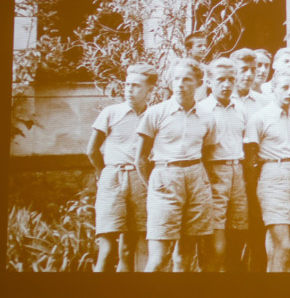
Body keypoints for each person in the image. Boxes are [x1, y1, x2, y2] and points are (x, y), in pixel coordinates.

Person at [135, 58, 216, 272]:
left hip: (196, 178)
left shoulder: (207, 116)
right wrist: (154, 186)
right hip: (165, 176)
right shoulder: (156, 113)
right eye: (176, 78)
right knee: (158, 258)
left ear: (199, 83)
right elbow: (140, 158)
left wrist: (198, 179)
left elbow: (207, 151)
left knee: (185, 255)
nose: (180, 84)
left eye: (187, 79)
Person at [86, 63, 157, 272]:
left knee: (128, 248)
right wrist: (103, 173)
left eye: (136, 86)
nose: (129, 90)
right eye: (127, 85)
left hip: (140, 180)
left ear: (149, 90)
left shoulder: (154, 115)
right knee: (107, 248)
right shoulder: (111, 112)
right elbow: (92, 150)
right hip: (113, 177)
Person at [244, 69, 290, 272]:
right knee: (284, 244)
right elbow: (250, 156)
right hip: (273, 173)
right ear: (273, 88)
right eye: (285, 87)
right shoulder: (260, 118)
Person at [198, 58, 249, 272]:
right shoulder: (202, 110)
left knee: (239, 226)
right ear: (209, 81)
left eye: (231, 79)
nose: (226, 85)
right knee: (215, 227)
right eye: (221, 79)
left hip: (237, 170)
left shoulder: (241, 109)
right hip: (213, 170)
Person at [230, 48, 270, 272]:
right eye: (243, 69)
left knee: (257, 229)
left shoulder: (264, 102)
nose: (248, 74)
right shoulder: (220, 99)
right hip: (230, 171)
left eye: (252, 70)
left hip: (256, 173)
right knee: (232, 232)